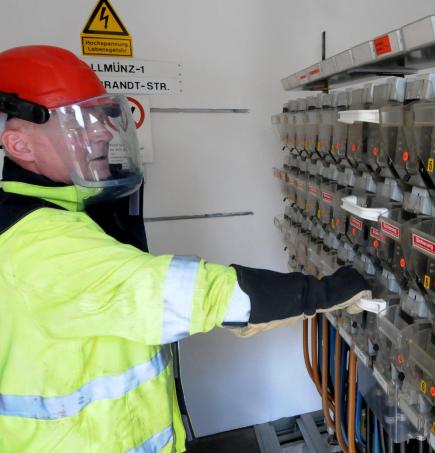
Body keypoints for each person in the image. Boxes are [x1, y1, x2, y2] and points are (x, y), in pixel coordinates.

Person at [0, 45, 370, 452]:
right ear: (20, 145)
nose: (104, 132)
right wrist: (324, 292)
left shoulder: (58, 212)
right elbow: (184, 293)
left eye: (103, 117)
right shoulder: (36, 242)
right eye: (81, 123)